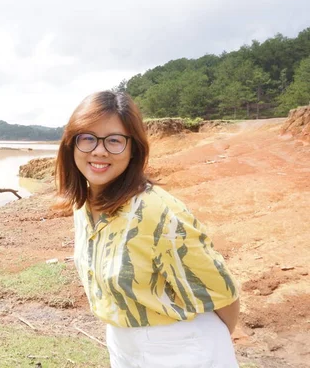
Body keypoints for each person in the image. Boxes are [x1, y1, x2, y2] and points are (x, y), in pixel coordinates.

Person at [55, 91, 240, 367]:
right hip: (122, 345)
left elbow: (224, 296)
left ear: (133, 150)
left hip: (184, 350)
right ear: (71, 145)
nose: (99, 150)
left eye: (114, 140)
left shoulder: (159, 212)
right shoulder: (82, 206)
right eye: (87, 138)